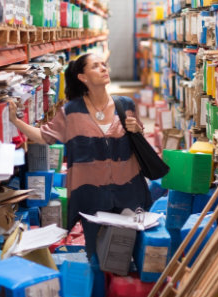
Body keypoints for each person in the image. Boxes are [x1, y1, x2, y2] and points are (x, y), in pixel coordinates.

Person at [9, 53, 152, 259]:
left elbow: (136, 141)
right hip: (91, 195)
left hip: (128, 191)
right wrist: (15, 121)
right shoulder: (71, 112)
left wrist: (137, 130)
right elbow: (43, 136)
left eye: (104, 65)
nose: (104, 68)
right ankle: (99, 288)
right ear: (83, 77)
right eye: (96, 66)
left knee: (128, 251)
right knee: (96, 254)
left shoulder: (125, 105)